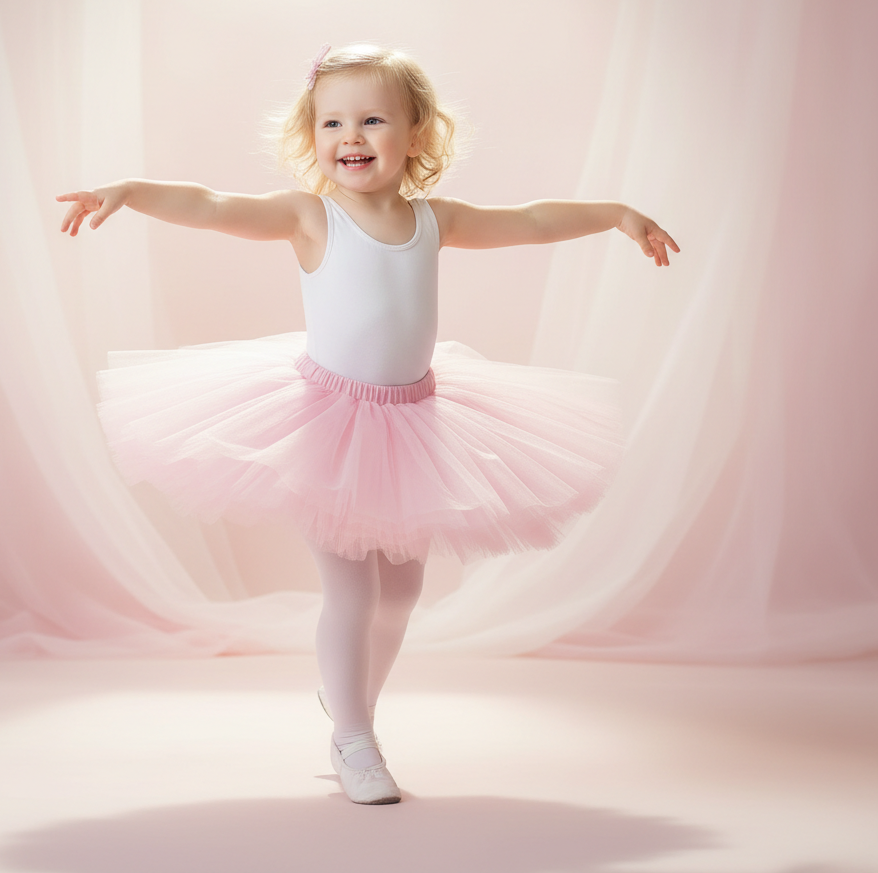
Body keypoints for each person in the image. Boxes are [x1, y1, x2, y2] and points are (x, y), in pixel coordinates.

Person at [57, 43, 678, 806]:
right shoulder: (310, 216)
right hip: (328, 427)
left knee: (401, 593)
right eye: (333, 123)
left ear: (416, 134)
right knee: (352, 592)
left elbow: (531, 220)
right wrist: (128, 191)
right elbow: (213, 206)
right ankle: (354, 737)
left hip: (415, 424)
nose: (350, 136)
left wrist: (616, 215)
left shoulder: (433, 220)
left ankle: (351, 705)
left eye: (373, 120)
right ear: (312, 135)